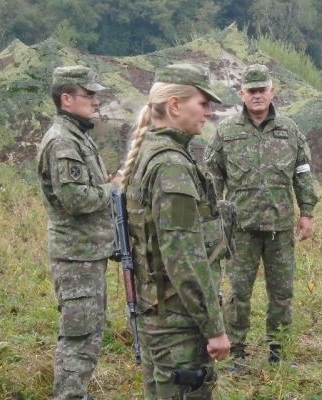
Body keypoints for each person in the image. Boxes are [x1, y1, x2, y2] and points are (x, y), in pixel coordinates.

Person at [120, 63, 230, 399]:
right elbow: (184, 258)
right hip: (178, 320)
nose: (208, 112)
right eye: (203, 103)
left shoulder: (149, 153)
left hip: (157, 313)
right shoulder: (171, 166)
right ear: (175, 105)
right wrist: (214, 328)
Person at [204, 64, 319, 366]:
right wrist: (212, 216)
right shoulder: (226, 132)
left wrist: (306, 212)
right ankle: (237, 351)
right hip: (240, 230)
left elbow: (302, 173)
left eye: (262, 90)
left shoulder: (289, 130)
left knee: (282, 292)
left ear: (272, 91)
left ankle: (278, 351)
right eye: (251, 90)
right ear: (241, 94)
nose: (257, 95)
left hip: (280, 228)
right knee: (237, 293)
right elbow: (212, 175)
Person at [37, 65, 121, 400]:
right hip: (76, 257)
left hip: (86, 252)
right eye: (88, 95)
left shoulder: (76, 135)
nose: (95, 101)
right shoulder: (63, 141)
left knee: (89, 332)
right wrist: (111, 189)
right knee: (79, 336)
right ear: (66, 99)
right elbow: (75, 199)